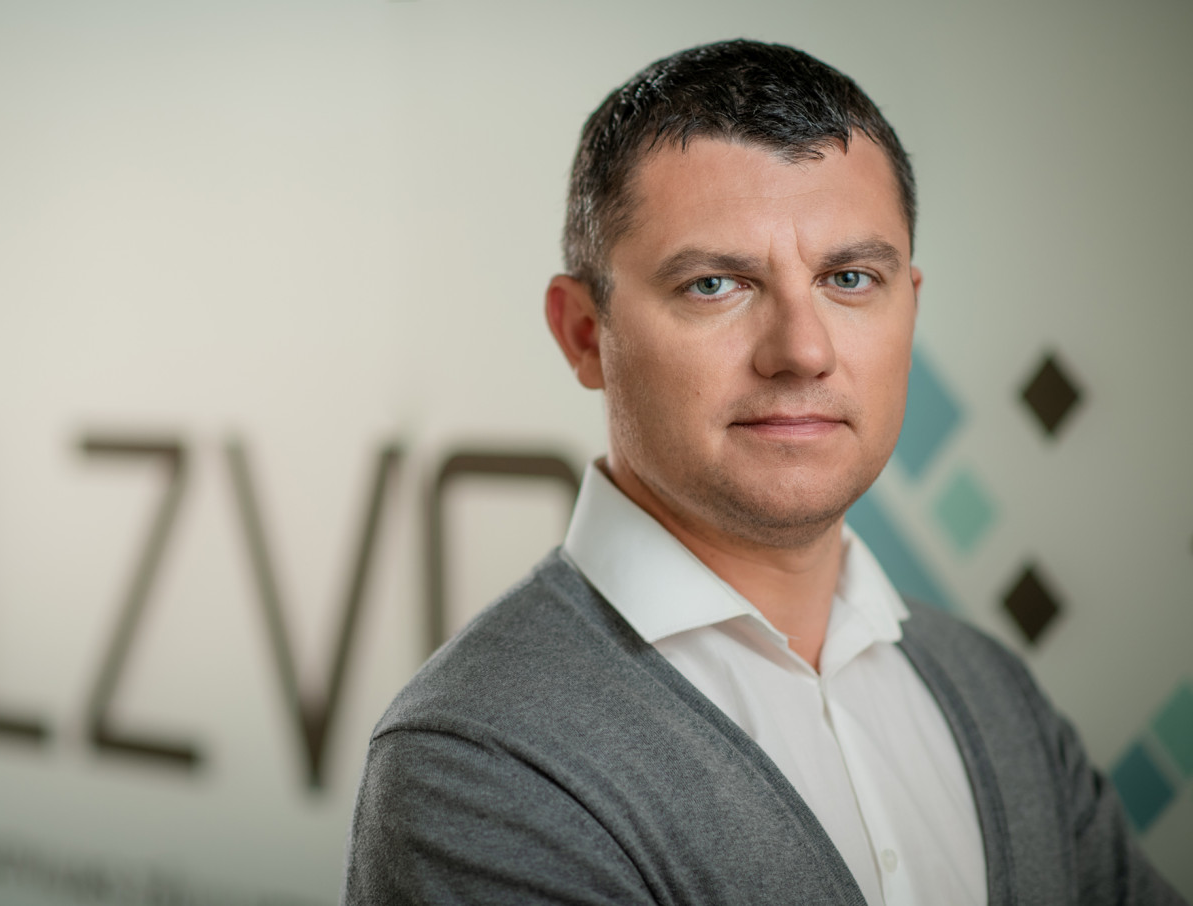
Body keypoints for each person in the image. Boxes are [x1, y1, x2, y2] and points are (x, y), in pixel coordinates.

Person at [342, 39, 1184, 905]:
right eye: (716, 285)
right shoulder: (477, 764)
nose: (802, 351)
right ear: (586, 334)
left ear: (910, 308)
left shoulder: (995, 696)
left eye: (849, 278)